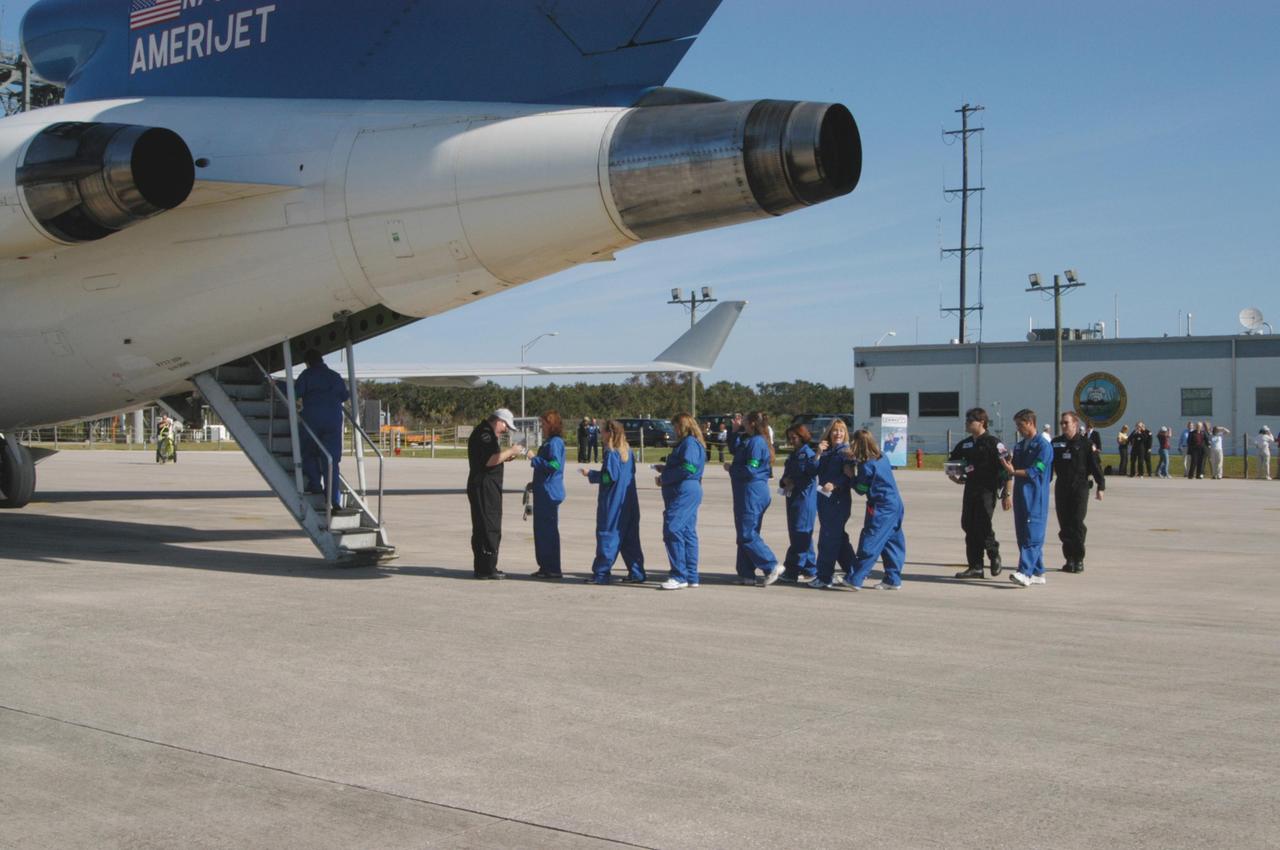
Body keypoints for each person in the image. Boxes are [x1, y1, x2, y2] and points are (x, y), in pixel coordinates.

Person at [948, 407, 1011, 579]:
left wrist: (1007, 493)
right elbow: (952, 462)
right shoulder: (966, 443)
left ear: (981, 422)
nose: (967, 424)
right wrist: (953, 476)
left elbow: (1007, 469)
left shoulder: (993, 443)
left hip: (988, 490)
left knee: (982, 524)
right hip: (971, 488)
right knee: (968, 524)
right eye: (966, 421)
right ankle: (975, 566)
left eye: (970, 421)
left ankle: (993, 554)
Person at [581, 420, 645, 584]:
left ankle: (601, 574)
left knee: (608, 536)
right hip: (629, 502)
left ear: (609, 433)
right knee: (630, 539)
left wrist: (591, 474)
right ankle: (637, 572)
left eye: (602, 432)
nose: (600, 434)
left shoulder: (611, 452)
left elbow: (609, 477)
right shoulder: (628, 451)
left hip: (614, 503)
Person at [467, 408, 525, 579]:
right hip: (485, 487)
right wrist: (511, 451)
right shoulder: (485, 434)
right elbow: (489, 460)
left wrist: (506, 456)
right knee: (489, 525)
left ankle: (484, 566)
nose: (506, 430)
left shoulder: (486, 433)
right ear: (499, 421)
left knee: (483, 525)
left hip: (485, 485)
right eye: (506, 426)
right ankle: (486, 568)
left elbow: (492, 457)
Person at [845, 428, 906, 590]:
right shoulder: (882, 457)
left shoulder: (867, 466)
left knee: (871, 540)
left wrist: (851, 476)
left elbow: (861, 489)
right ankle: (893, 578)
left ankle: (855, 578)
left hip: (881, 507)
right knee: (892, 541)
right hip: (895, 503)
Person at [726, 412, 782, 586]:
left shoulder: (757, 442)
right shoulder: (749, 440)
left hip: (753, 492)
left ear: (751, 423)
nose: (741, 423)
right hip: (745, 492)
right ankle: (746, 573)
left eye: (743, 421)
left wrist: (732, 469)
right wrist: (734, 431)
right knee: (745, 533)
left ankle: (771, 565)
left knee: (747, 534)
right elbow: (735, 449)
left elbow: (751, 469)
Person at [1001, 408, 1054, 587]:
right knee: (1022, 534)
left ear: (1030, 423)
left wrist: (1014, 471)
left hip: (1036, 496)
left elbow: (1036, 470)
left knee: (1033, 535)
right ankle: (1038, 571)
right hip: (1020, 495)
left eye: (1020, 425)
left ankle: (1024, 572)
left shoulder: (1043, 446)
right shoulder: (1019, 445)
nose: (1018, 429)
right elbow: (1011, 469)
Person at [655, 413, 706, 590]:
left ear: (682, 426)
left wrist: (665, 477)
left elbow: (689, 467)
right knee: (687, 532)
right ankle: (691, 576)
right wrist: (667, 468)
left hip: (685, 490)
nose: (674, 430)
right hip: (686, 489)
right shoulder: (690, 443)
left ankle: (679, 575)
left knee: (672, 527)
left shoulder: (689, 443)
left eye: (675, 426)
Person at [1052, 411, 1105, 573]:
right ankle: (1069, 559)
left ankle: (1079, 558)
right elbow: (1048, 466)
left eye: (1066, 423)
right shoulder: (1056, 443)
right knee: (1065, 525)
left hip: (1080, 487)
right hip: (1062, 487)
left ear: (1075, 424)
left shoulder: (1086, 444)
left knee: (1077, 523)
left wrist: (1100, 486)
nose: (1063, 426)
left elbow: (1096, 466)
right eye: (1061, 423)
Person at [294, 349, 348, 508]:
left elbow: (296, 392)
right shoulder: (335, 376)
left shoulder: (307, 375)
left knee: (309, 452)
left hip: (313, 419)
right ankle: (333, 498)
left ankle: (315, 484)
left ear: (308, 362)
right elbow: (345, 396)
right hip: (333, 420)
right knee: (331, 460)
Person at [808, 418, 856, 589]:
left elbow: (849, 476)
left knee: (828, 539)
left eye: (841, 430)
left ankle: (824, 576)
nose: (838, 433)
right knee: (839, 539)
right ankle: (855, 573)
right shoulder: (827, 452)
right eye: (835, 430)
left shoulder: (846, 453)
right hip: (823, 500)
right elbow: (812, 471)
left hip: (838, 501)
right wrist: (818, 453)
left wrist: (835, 484)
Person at [778, 424, 819, 584]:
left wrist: (794, 480)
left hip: (804, 499)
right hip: (792, 498)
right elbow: (786, 475)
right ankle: (810, 569)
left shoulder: (809, 455)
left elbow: (811, 473)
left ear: (802, 437)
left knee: (800, 533)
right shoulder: (793, 455)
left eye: (794, 437)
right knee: (800, 534)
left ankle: (792, 569)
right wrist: (784, 481)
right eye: (789, 438)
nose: (791, 441)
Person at [529, 410, 566, 579]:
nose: (541, 427)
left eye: (543, 424)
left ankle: (552, 567)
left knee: (548, 531)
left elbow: (554, 464)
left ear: (551, 425)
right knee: (542, 531)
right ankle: (545, 566)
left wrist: (533, 458)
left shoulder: (554, 443)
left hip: (548, 493)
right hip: (543, 490)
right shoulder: (550, 442)